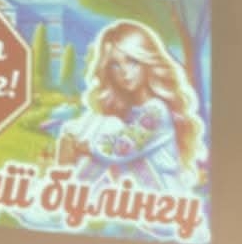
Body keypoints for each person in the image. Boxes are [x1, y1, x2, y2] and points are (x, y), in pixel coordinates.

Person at [57, 20, 206, 198]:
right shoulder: (129, 111)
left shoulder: (156, 110)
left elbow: (123, 148)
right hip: (138, 195)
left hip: (164, 198)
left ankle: (64, 193)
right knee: (94, 126)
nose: (125, 72)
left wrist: (84, 146)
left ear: (147, 61)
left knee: (105, 126)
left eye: (132, 61)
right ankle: (65, 191)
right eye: (115, 64)